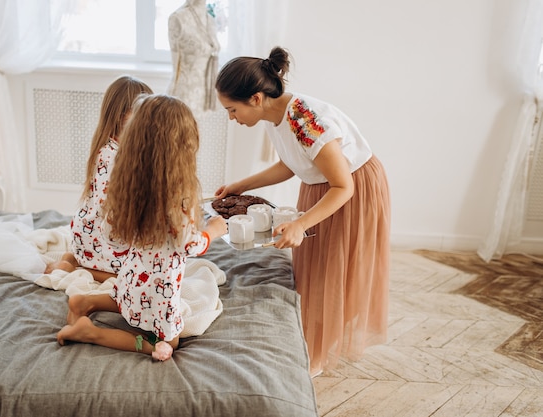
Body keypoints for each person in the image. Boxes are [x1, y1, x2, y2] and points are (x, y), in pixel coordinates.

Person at [214, 47, 391, 376]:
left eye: (231, 109)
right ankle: (311, 340)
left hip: (349, 189)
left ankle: (316, 358)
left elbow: (343, 187)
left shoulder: (305, 120)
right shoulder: (273, 114)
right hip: (322, 187)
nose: (231, 118)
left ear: (255, 98)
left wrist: (300, 225)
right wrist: (242, 185)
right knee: (313, 270)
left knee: (332, 270)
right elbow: (289, 164)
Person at [57, 94, 228, 360]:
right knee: (168, 342)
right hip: (159, 284)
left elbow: (112, 235)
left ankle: (85, 301)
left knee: (128, 299)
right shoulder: (176, 195)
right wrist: (214, 229)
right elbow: (190, 246)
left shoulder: (130, 184)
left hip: (132, 273)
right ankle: (90, 332)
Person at [45, 76, 153, 283]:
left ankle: (73, 258)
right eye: (142, 112)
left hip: (93, 235)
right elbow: (110, 213)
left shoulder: (126, 149)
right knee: (136, 277)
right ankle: (74, 268)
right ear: (122, 116)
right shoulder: (110, 156)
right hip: (101, 236)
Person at [167, 0, 220, 113]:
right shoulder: (178, 18)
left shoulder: (210, 18)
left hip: (206, 96)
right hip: (185, 95)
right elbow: (176, 66)